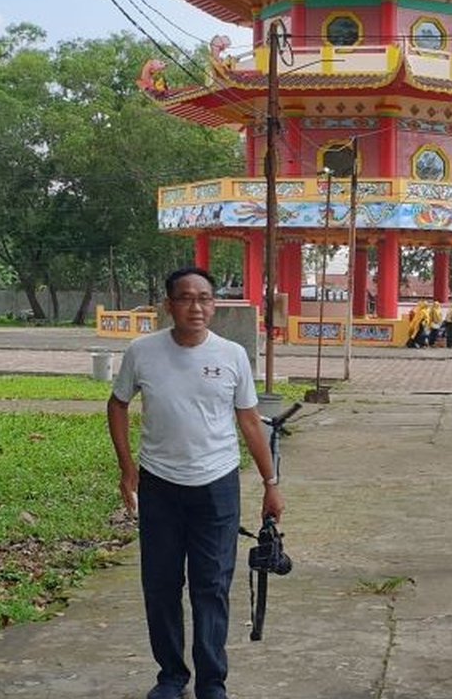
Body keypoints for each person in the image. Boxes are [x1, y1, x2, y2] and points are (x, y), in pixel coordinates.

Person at [106, 267, 284, 699]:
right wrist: (127, 468)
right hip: (160, 486)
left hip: (217, 487)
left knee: (211, 586)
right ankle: (171, 677)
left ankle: (211, 682)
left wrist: (270, 482)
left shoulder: (232, 355)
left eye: (204, 298)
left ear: (214, 304)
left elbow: (248, 420)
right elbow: (117, 405)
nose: (196, 306)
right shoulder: (142, 352)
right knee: (162, 585)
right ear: (169, 305)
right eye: (185, 298)